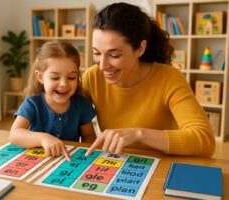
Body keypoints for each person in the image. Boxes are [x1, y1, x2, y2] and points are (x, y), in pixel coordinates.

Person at [83, 2, 215, 157]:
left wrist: (139, 134)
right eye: (97, 53)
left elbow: (204, 140)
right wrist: (45, 137)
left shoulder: (169, 79)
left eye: (114, 55)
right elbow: (60, 110)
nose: (103, 65)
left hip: (163, 166)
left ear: (140, 48)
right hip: (119, 166)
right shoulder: (92, 77)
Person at [10, 40, 96, 161]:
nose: (63, 84)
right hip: (37, 160)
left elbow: (89, 135)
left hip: (69, 162)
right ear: (40, 76)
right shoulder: (32, 103)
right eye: (55, 77)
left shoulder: (81, 104)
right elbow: (14, 134)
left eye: (71, 77)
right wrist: (43, 138)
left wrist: (86, 155)